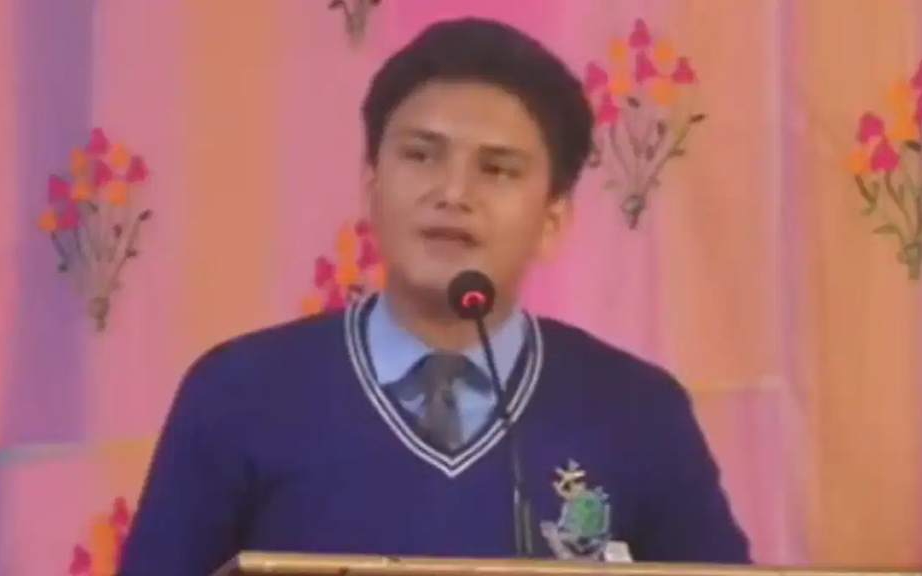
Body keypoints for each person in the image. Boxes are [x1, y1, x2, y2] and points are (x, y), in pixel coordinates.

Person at [118, 17, 750, 576]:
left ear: (553, 219)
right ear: (371, 186)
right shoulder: (239, 393)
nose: (453, 193)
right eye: (421, 156)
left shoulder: (638, 411)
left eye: (496, 169)